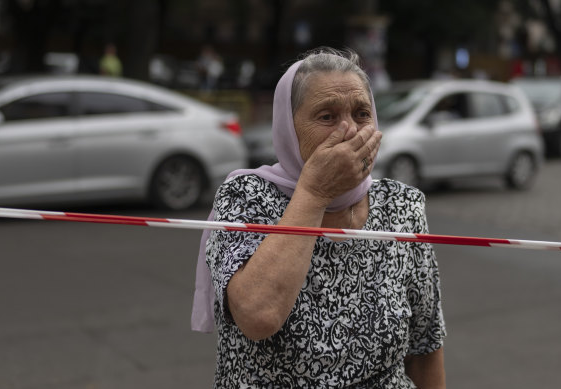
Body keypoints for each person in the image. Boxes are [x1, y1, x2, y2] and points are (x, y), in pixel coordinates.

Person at [191, 47, 446, 388]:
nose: (350, 132)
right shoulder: (246, 197)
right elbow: (258, 315)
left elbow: (426, 345)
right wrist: (314, 193)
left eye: (361, 114)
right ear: (288, 128)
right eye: (327, 117)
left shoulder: (402, 205)